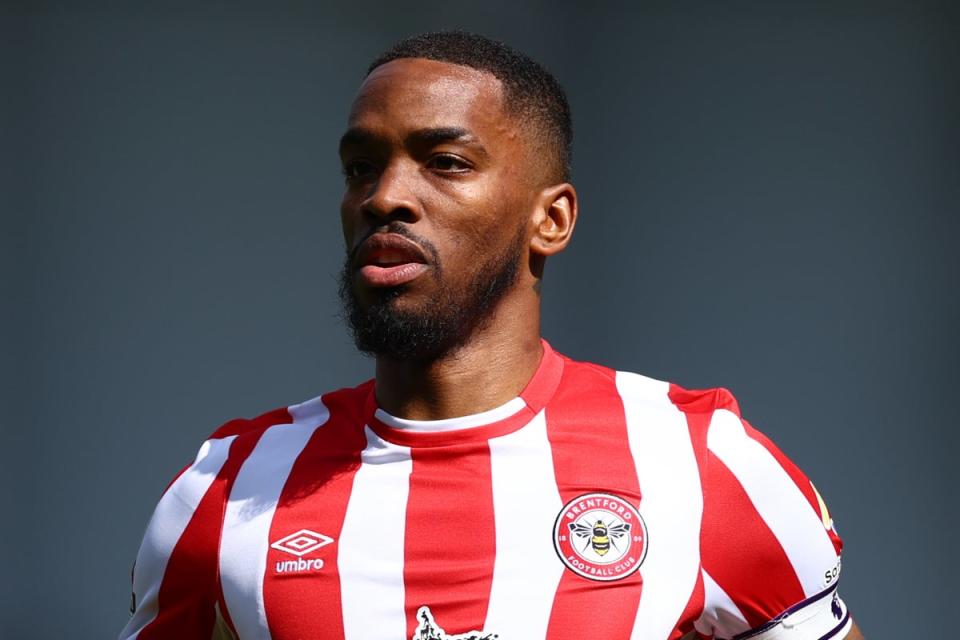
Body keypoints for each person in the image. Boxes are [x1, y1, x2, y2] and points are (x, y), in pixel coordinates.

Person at [120, 31, 863, 640]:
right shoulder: (228, 487)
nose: (385, 197)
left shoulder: (701, 463)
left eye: (444, 163)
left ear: (553, 219)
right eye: (361, 167)